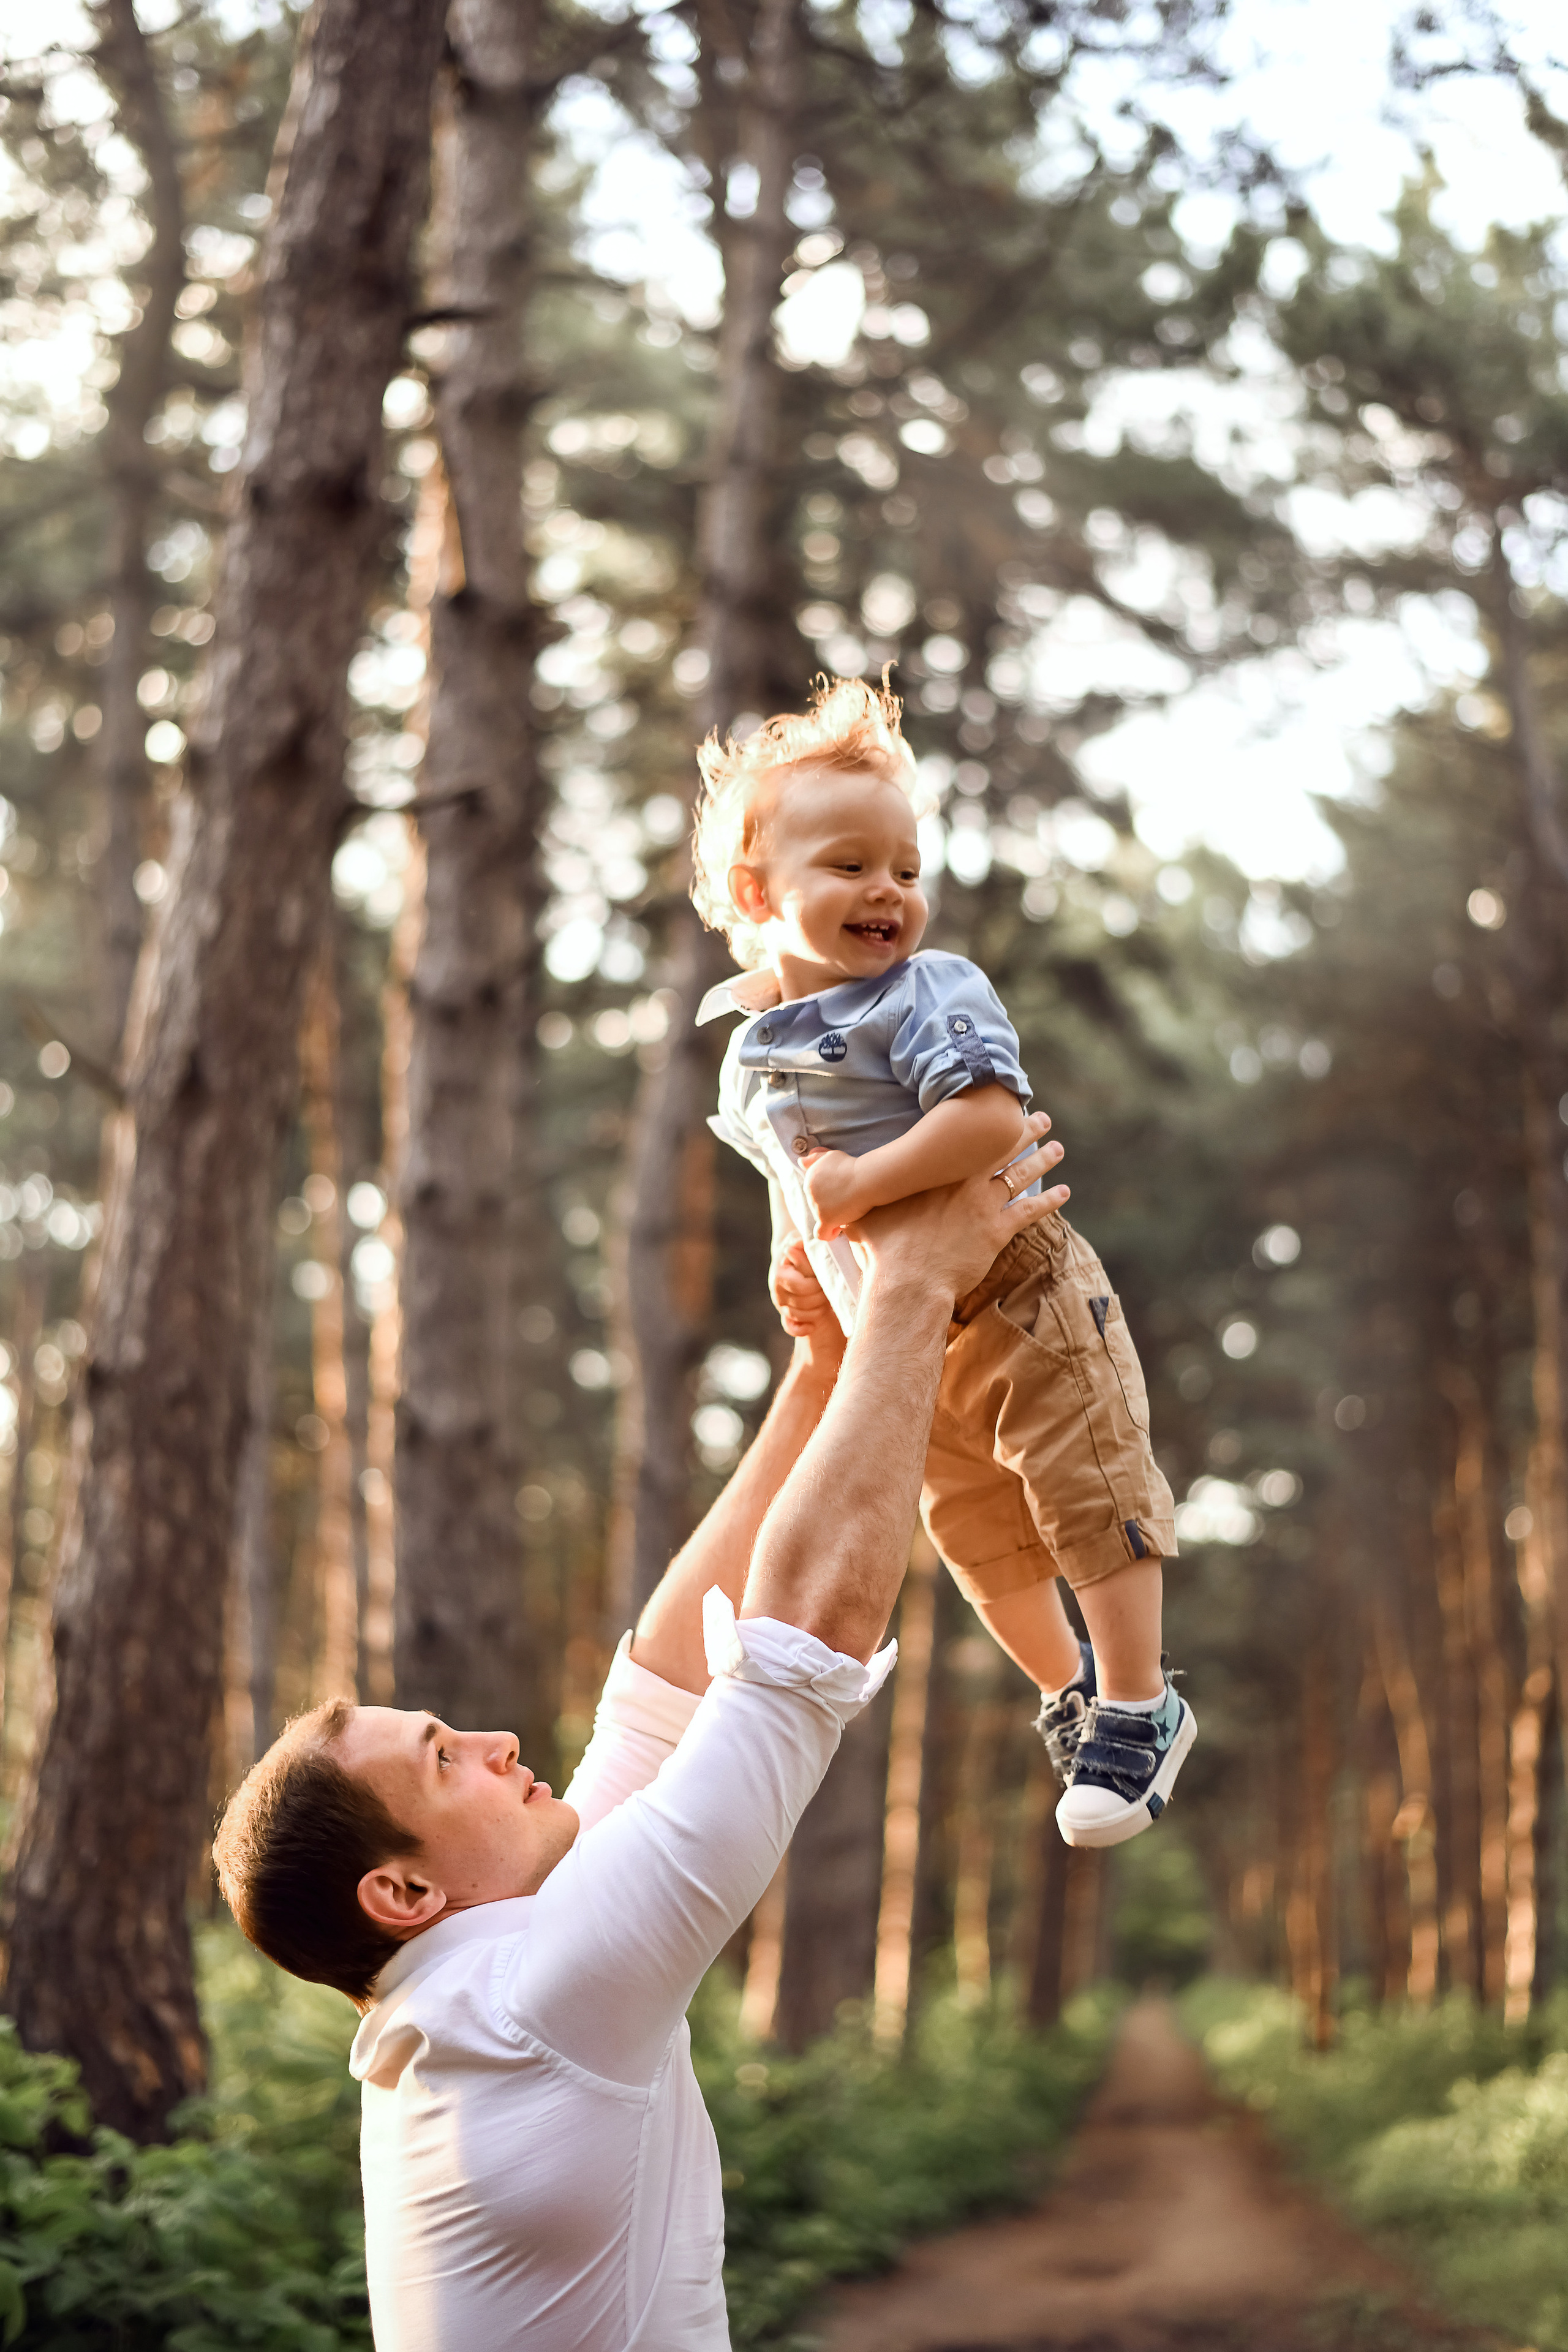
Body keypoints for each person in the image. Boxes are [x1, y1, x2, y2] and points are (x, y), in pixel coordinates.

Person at [213, 1131, 1068, 2352]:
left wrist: (822, 1370)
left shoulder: (479, 1986)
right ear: (402, 1892)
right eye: (447, 1759)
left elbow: (659, 1694)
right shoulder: (529, 2004)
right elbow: (804, 1640)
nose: (500, 1741)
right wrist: (917, 1287)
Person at [688, 674, 1194, 1849]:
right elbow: (790, 1175)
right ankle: (1070, 1691)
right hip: (904, 1332)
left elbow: (989, 1122)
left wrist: (864, 1186)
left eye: (907, 871)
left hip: (1019, 1288)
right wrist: (797, 1259)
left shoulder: (928, 991)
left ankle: (1141, 1701)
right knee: (974, 1528)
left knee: (1083, 1482)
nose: (890, 891)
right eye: (851, 865)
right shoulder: (752, 1048)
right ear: (758, 893)